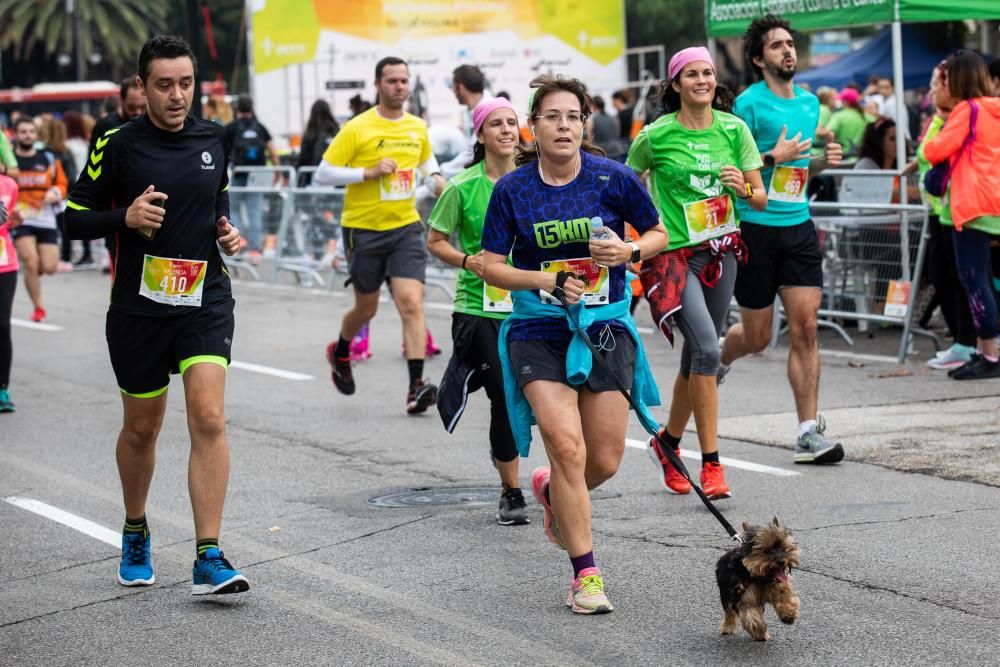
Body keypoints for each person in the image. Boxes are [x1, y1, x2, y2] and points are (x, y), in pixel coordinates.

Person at [65, 35, 249, 595]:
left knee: (209, 417)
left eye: (186, 84)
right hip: (138, 309)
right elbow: (74, 219)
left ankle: (208, 554)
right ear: (141, 87)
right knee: (142, 430)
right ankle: (136, 529)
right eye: (164, 85)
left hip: (204, 297)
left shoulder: (214, 138)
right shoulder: (116, 142)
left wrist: (225, 230)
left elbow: (215, 200)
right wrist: (126, 216)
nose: (177, 95)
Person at [481, 75, 667, 614]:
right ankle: (586, 576)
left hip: (604, 326)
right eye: (552, 117)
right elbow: (492, 267)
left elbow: (658, 234)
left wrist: (629, 252)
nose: (564, 125)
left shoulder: (613, 178)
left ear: (583, 124)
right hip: (538, 328)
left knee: (603, 461)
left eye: (573, 117)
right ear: (532, 127)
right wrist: (542, 280)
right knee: (566, 446)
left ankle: (551, 492)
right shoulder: (511, 190)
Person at [627, 47, 767, 500]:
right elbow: (627, 191)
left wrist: (740, 187)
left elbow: (760, 198)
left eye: (707, 73)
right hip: (672, 259)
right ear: (676, 84)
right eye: (692, 74)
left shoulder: (734, 129)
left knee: (696, 357)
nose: (702, 80)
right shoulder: (654, 135)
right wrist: (634, 243)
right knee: (709, 348)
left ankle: (667, 443)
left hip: (721, 251)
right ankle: (711, 465)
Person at [719, 14, 846, 465]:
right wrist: (775, 154)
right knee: (756, 338)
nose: (787, 51)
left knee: (806, 327)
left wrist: (821, 163)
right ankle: (722, 355)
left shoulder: (811, 105)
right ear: (758, 58)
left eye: (790, 44)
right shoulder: (747, 105)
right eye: (776, 46)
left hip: (798, 224)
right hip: (754, 228)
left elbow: (799, 170)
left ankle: (808, 431)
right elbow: (730, 164)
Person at [315, 56, 447, 414]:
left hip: (404, 226)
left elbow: (425, 161)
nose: (399, 87)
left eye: (404, 80)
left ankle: (416, 386)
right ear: (378, 84)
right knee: (366, 308)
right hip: (364, 229)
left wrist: (434, 177)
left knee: (411, 302)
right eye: (392, 81)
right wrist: (367, 172)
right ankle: (340, 351)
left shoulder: (417, 127)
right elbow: (323, 173)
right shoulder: (358, 128)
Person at [428, 98, 528, 526]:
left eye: (512, 123)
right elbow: (435, 241)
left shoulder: (534, 182)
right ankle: (511, 490)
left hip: (529, 303)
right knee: (504, 397)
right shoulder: (461, 188)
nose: (507, 130)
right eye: (497, 124)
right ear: (480, 134)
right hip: (479, 306)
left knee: (539, 397)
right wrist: (468, 261)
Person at [924, 50, 1000, 380]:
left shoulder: (966, 111)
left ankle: (990, 354)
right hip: (993, 204)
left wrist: (941, 117)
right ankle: (988, 350)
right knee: (986, 280)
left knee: (974, 281)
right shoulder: (994, 108)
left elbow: (932, 150)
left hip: (970, 207)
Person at [917, 65, 977, 370]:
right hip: (938, 209)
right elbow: (925, 153)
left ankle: (968, 344)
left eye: (936, 83)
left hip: (955, 210)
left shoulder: (961, 116)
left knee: (957, 277)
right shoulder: (943, 117)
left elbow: (932, 152)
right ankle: (962, 343)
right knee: (941, 275)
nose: (932, 90)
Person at [12, 116, 67, 323]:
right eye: (23, 132)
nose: (27, 135)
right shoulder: (10, 163)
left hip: (45, 217)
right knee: (30, 261)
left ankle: (36, 270)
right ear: (16, 134)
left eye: (31, 132)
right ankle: (38, 307)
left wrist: (55, 192)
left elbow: (62, 184)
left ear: (36, 134)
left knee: (50, 267)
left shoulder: (48, 158)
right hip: (20, 218)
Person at [89, 76, 147, 274]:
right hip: (117, 210)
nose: (138, 112)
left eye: (142, 106)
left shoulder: (154, 124)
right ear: (121, 101)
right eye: (132, 107)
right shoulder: (106, 125)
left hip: (151, 208)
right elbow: (93, 167)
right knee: (122, 270)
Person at [224, 95, 278, 262]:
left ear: (237, 108)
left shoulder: (231, 127)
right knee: (255, 211)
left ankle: (239, 240)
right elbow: (271, 150)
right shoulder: (260, 127)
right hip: (257, 175)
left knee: (233, 209)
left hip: (239, 173)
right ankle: (255, 250)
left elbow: (223, 149)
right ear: (252, 108)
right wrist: (278, 170)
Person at [441, 64, 491, 178]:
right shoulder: (471, 111)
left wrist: (441, 172)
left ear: (460, 88)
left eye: (452, 87)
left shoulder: (489, 111)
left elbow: (472, 153)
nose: (452, 92)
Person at [0, 175, 20, 412]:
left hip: (5, 264)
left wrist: (14, 221)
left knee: (2, 325)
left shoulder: (9, 185)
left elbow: (9, 221)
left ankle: (2, 388)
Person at [295, 99, 339, 185]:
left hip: (314, 177)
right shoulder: (335, 131)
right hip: (335, 177)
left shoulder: (310, 134)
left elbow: (303, 158)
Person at [826, 87, 867, 156]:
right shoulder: (865, 115)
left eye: (842, 100)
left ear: (846, 102)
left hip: (844, 156)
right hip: (859, 156)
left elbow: (828, 133)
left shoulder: (839, 116)